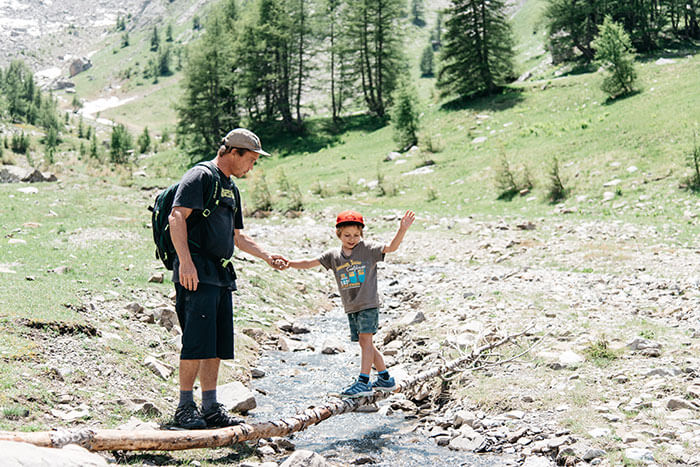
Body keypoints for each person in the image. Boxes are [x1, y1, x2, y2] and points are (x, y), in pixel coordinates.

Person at [168, 128, 287, 429]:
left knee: (216, 344)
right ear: (234, 152)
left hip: (221, 274)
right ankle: (184, 408)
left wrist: (267, 256)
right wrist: (185, 263)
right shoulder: (200, 176)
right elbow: (176, 217)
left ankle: (210, 406)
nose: (252, 166)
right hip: (196, 273)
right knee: (196, 342)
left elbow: (238, 236)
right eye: (251, 160)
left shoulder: (231, 188)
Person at [284, 209, 415, 397]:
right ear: (338, 234)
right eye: (347, 235)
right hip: (351, 306)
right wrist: (289, 263)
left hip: (368, 303)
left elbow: (391, 248)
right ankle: (385, 378)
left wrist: (402, 229)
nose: (352, 238)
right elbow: (308, 263)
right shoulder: (333, 255)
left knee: (365, 340)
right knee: (365, 343)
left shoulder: (368, 249)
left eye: (356, 234)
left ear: (361, 233)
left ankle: (364, 381)